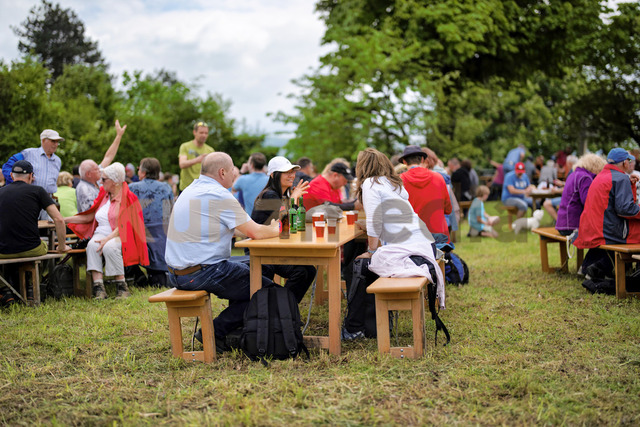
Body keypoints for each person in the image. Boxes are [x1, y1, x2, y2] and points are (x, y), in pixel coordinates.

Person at [165, 152, 280, 350]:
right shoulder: (219, 195)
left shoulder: (190, 190)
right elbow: (256, 232)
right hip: (201, 272)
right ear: (222, 172)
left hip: (177, 273)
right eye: (233, 169)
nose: (235, 173)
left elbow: (226, 227)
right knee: (270, 292)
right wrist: (278, 229)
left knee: (257, 270)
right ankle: (214, 331)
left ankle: (237, 329)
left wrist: (258, 230)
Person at [341, 148, 444, 340]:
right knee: (367, 265)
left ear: (362, 167)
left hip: (411, 254)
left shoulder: (371, 183)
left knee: (361, 264)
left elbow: (375, 221)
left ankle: (355, 327)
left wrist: (372, 251)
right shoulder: (393, 183)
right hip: (424, 246)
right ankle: (371, 324)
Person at [65, 163, 148, 299]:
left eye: (103, 179)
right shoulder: (104, 194)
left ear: (115, 181)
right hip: (101, 232)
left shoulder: (128, 197)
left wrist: (107, 239)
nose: (100, 182)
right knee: (92, 246)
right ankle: (98, 287)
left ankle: (121, 286)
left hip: (121, 234)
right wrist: (64, 220)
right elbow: (90, 216)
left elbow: (126, 224)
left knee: (110, 247)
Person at [250, 156, 315, 302]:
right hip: (261, 250)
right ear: (274, 175)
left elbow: (296, 222)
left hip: (275, 247)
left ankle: (285, 308)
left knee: (308, 270)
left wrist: (294, 199)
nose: (291, 175)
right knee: (302, 272)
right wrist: (294, 198)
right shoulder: (269, 195)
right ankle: (280, 307)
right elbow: (286, 223)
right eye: (286, 172)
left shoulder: (283, 195)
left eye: (292, 171)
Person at [574, 148, 640, 277]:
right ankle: (603, 269)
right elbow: (624, 210)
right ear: (624, 163)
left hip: (592, 227)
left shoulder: (600, 176)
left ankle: (587, 267)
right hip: (606, 230)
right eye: (629, 160)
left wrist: (629, 184)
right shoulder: (621, 178)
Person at [0, 160, 69, 259]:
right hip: (31, 249)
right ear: (30, 176)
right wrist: (62, 247)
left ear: (11, 175)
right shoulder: (38, 191)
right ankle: (46, 269)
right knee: (44, 244)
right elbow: (59, 219)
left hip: (3, 251)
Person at [129, 158, 174, 287]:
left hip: (140, 234)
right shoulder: (166, 187)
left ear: (143, 172)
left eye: (139, 169)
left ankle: (136, 274)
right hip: (162, 235)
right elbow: (169, 213)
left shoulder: (132, 188)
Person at [398, 145, 452, 244]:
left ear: (404, 162)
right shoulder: (439, 178)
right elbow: (448, 209)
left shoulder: (399, 181)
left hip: (412, 239)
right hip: (439, 238)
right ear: (423, 159)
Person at [75, 120, 128, 212]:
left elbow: (108, 157)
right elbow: (90, 212)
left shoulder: (97, 179)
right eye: (97, 169)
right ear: (88, 174)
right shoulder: (84, 188)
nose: (100, 170)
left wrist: (119, 136)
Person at [555, 153, 606, 236]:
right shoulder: (585, 177)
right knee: (604, 234)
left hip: (562, 224)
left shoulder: (573, 174)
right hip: (573, 225)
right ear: (596, 167)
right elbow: (588, 202)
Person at [2, 129, 64, 196]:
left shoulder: (58, 160)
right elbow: (6, 167)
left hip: (49, 198)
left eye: (57, 142)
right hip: (30, 196)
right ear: (43, 140)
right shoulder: (28, 153)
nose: (56, 144)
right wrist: (19, 181)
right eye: (53, 141)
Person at [178, 121, 214, 192]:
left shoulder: (210, 150)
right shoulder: (185, 146)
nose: (204, 135)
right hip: (186, 188)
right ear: (194, 132)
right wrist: (198, 159)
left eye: (206, 133)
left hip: (202, 189)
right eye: (201, 133)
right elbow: (182, 164)